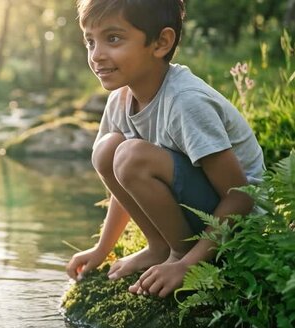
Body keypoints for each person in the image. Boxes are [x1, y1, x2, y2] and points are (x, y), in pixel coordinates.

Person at [65, 0, 265, 297]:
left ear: (161, 42)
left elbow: (240, 197)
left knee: (129, 156)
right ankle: (160, 247)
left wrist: (187, 266)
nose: (97, 55)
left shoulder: (186, 101)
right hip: (199, 207)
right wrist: (102, 248)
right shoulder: (120, 99)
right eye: (90, 41)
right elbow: (126, 180)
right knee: (108, 150)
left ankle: (180, 255)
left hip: (238, 222)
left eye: (113, 39)